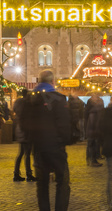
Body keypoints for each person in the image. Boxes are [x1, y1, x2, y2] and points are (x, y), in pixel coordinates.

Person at [25, 70, 72, 211]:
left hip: (38, 148)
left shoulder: (31, 99)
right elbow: (64, 125)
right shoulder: (59, 99)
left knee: (42, 184)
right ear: (53, 82)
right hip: (56, 148)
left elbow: (25, 124)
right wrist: (64, 141)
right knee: (62, 182)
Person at [12, 91, 34, 181]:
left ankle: (16, 173)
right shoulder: (26, 105)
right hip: (26, 131)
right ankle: (29, 174)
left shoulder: (18, 104)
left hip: (20, 130)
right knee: (27, 154)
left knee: (21, 153)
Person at [84, 93, 104, 167]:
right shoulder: (94, 111)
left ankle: (91, 159)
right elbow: (90, 120)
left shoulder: (93, 110)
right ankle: (92, 160)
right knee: (92, 144)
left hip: (92, 128)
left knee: (92, 144)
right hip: (92, 129)